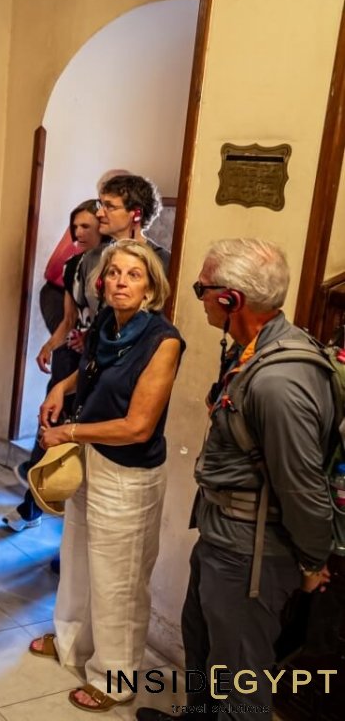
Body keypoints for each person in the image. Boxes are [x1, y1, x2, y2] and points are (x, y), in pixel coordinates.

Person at [137, 240, 334, 721]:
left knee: (241, 682)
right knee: (203, 644)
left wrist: (312, 562)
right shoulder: (252, 354)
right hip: (223, 537)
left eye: (203, 288)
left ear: (231, 301)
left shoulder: (279, 382)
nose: (199, 296)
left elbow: (302, 486)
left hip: (252, 554)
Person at [28, 239, 184, 713]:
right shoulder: (106, 325)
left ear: (152, 287)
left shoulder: (163, 340)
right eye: (114, 273)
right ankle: (72, 640)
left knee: (119, 579)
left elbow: (137, 425)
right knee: (76, 553)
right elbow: (94, 368)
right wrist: (62, 385)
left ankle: (115, 679)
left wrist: (70, 431)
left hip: (129, 471)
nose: (120, 282)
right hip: (91, 457)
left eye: (133, 275)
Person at [4, 199, 103, 532]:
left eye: (86, 226)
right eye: (75, 226)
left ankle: (70, 524)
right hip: (71, 357)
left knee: (82, 435)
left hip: (99, 364)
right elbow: (68, 319)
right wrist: (50, 344)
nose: (78, 232)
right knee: (50, 421)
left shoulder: (115, 267)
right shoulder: (72, 265)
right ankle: (33, 504)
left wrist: (90, 339)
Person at [72, 173, 170, 345]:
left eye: (109, 207)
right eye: (100, 205)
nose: (100, 213)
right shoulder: (91, 258)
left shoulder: (163, 262)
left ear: (137, 214)